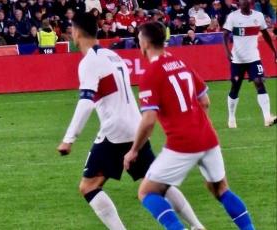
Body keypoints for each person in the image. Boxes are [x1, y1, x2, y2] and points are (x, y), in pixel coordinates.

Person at [57, 13, 206, 230]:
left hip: (115, 131)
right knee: (157, 181)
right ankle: (197, 225)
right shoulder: (113, 56)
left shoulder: (89, 61)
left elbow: (86, 102)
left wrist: (69, 139)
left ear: (76, 32)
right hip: (135, 127)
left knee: (88, 186)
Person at [123, 21, 255, 230]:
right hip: (207, 137)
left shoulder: (150, 73)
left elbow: (149, 120)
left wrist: (133, 151)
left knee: (147, 192)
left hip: (182, 142)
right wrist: (195, 125)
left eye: (139, 39)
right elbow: (205, 101)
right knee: (220, 189)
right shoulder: (180, 62)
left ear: (145, 43)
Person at [223, 0, 277, 128]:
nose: (244, 2)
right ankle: (231, 117)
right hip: (237, 60)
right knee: (235, 88)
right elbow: (225, 34)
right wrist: (227, 52)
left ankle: (267, 118)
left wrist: (274, 51)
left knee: (259, 82)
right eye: (241, 0)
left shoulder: (258, 16)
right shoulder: (233, 17)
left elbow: (265, 34)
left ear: (251, 2)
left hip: (254, 58)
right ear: (239, 3)